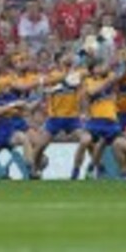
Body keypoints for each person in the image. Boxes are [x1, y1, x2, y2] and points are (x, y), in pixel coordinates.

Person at [32, 52, 91, 180]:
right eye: (65, 56)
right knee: (40, 146)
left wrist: (84, 112)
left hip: (73, 118)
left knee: (86, 139)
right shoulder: (53, 75)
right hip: (55, 118)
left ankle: (75, 172)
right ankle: (34, 170)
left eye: (69, 56)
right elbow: (46, 82)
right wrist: (67, 76)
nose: (69, 57)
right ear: (58, 61)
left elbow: (87, 73)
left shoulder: (77, 73)